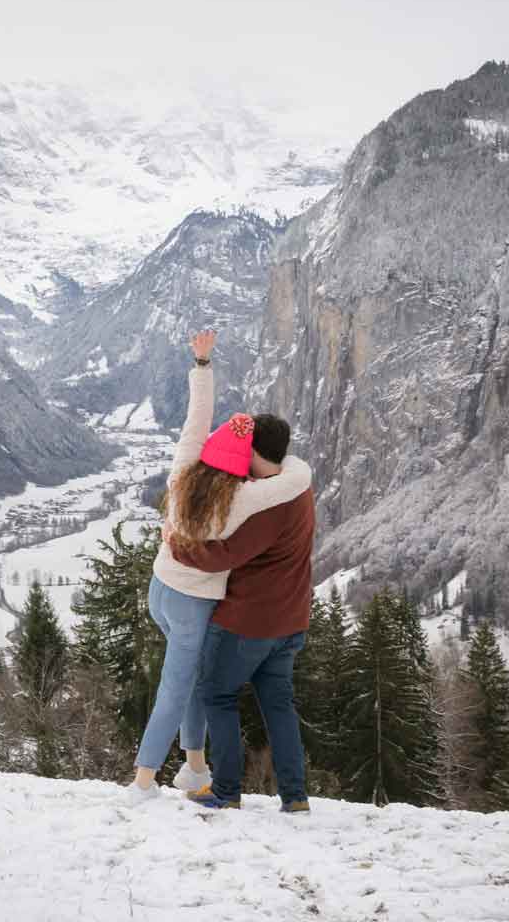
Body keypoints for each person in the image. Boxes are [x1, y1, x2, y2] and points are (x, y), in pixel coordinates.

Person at [123, 329, 313, 800]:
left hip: (160, 591)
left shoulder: (183, 470)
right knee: (177, 688)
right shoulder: (240, 501)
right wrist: (299, 468)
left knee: (188, 683)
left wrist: (202, 366)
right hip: (193, 602)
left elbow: (196, 417)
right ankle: (143, 781)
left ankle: (194, 767)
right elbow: (284, 486)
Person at [168, 403, 318, 812]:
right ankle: (295, 795)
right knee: (279, 705)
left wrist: (177, 544)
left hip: (250, 622)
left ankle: (226, 790)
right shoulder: (297, 488)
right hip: (292, 619)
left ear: (253, 452)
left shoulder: (270, 504)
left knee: (216, 693)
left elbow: (224, 555)